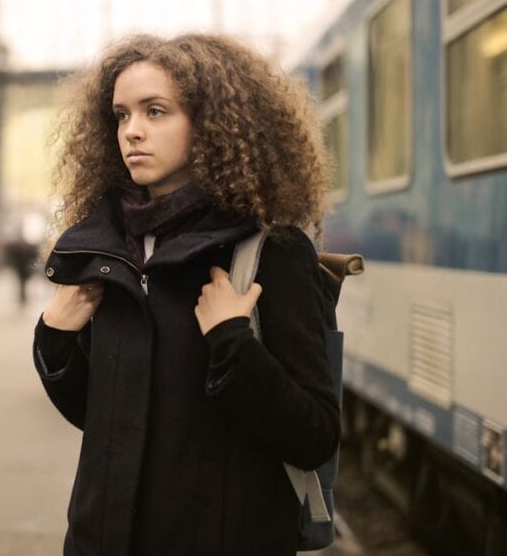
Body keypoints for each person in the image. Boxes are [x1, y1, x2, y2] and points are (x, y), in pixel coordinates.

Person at [34, 33, 340, 555]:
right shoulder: (109, 253)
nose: (132, 131)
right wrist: (56, 339)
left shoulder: (271, 253)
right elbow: (104, 420)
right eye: (121, 115)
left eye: (156, 111)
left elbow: (314, 435)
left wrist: (234, 343)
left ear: (212, 124)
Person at [4, 234, 38, 307]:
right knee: (22, 283)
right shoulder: (21, 249)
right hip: (21, 268)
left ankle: (23, 296)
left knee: (22, 283)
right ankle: (23, 296)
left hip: (23, 268)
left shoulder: (23, 248)